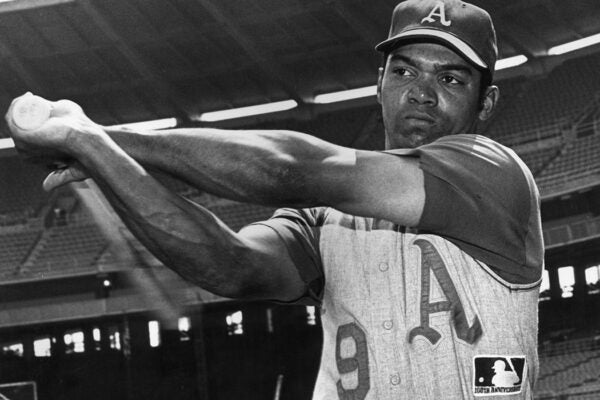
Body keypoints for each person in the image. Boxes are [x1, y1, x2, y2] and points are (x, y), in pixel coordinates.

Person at [6, 0, 543, 398]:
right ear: (378, 83)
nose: (420, 91)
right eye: (403, 71)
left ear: (487, 102)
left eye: (450, 78)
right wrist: (98, 157)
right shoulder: (324, 219)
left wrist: (102, 137)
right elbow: (231, 265)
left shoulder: (494, 176)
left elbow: (287, 168)